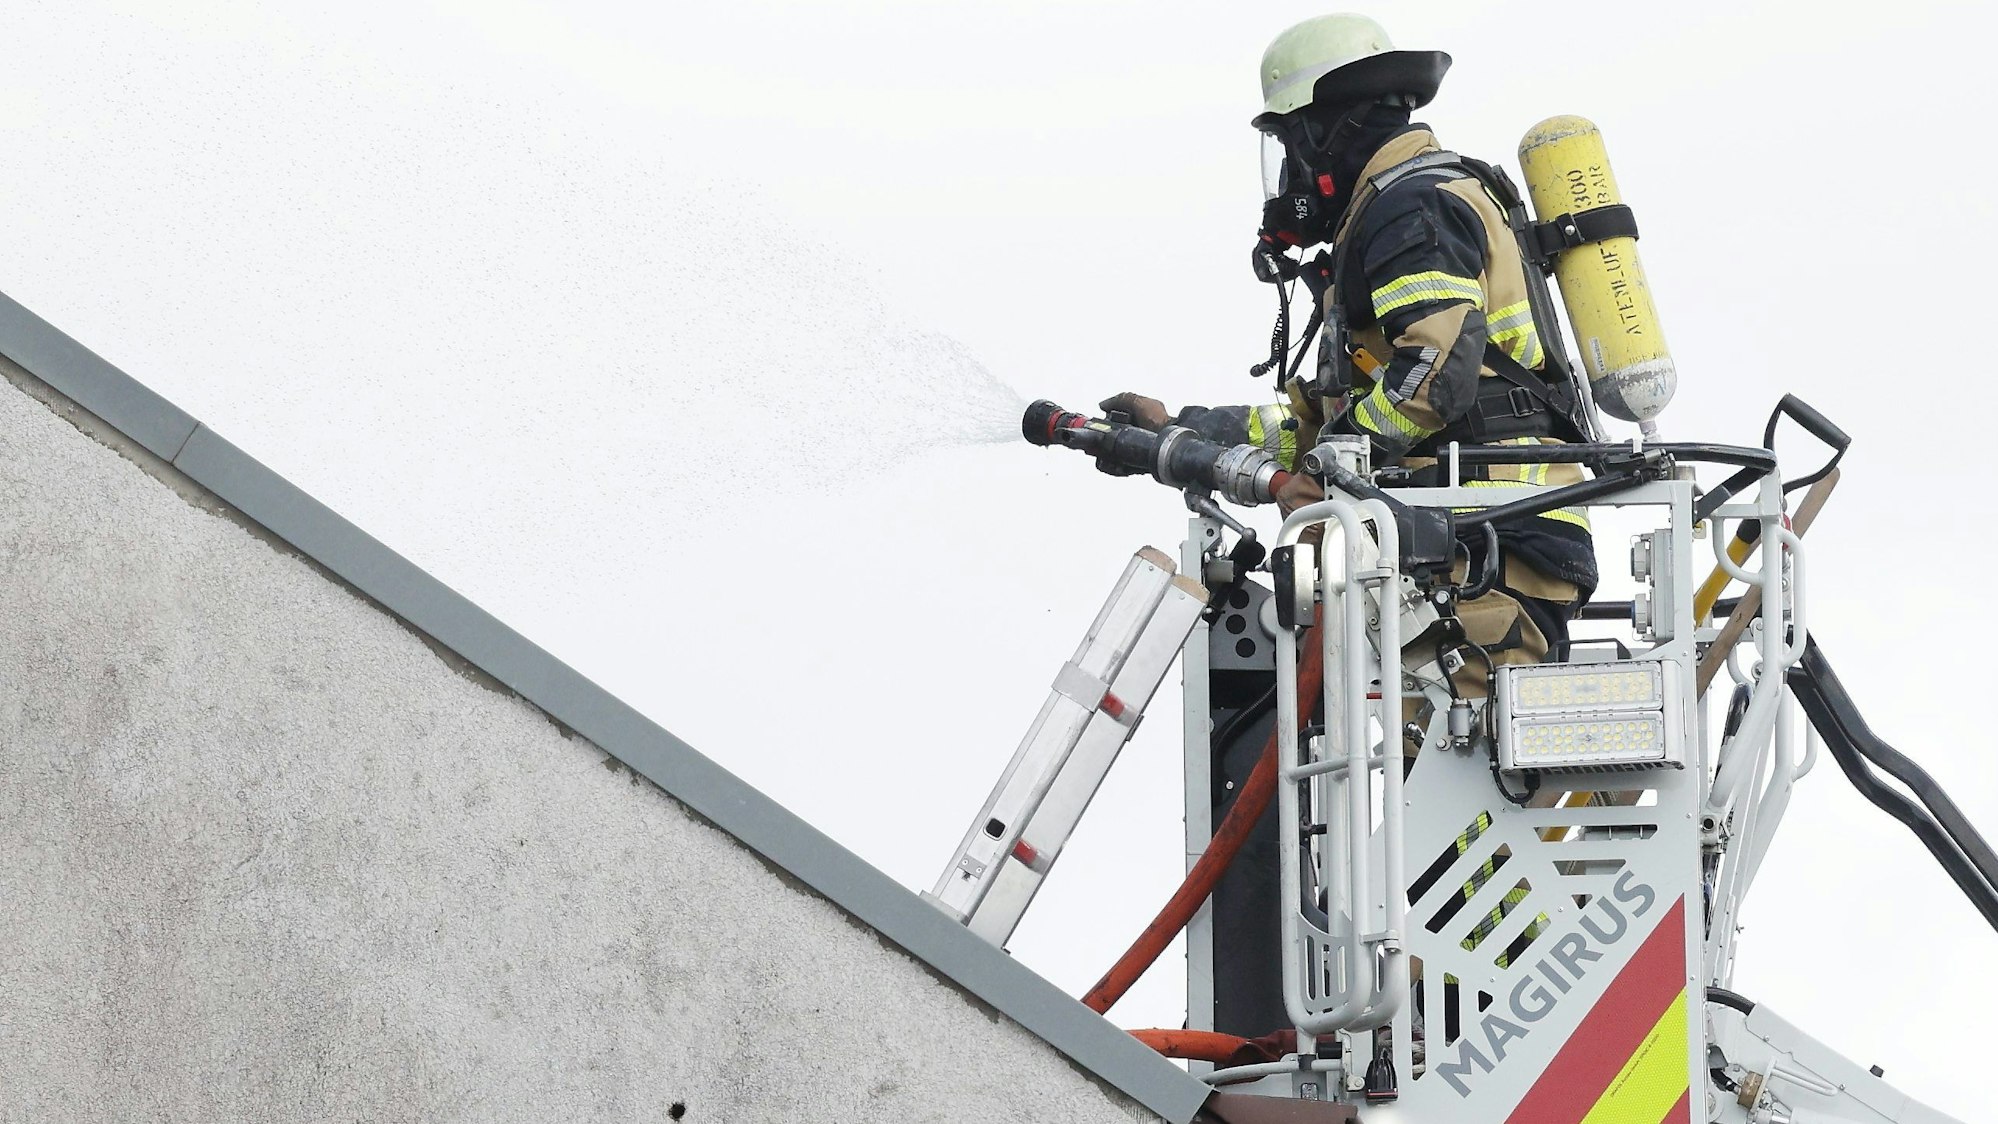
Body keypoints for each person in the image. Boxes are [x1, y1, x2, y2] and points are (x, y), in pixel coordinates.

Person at [1106, 13, 1597, 686]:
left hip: (1483, 542)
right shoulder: (1400, 207)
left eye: (1290, 144)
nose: (1292, 174)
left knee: (1456, 749)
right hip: (1463, 542)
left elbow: (1433, 374)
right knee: (1416, 742)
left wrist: (1325, 471)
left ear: (1328, 131)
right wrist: (1183, 430)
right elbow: (1338, 423)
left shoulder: (1411, 208)